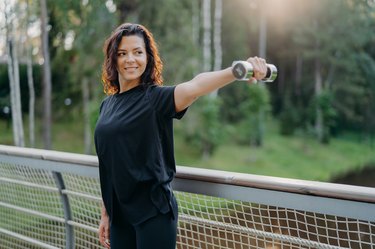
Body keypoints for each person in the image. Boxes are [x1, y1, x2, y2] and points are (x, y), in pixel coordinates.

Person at [94, 23, 268, 249]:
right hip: (120, 217)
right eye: (122, 53)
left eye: (138, 52)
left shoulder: (155, 99)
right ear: (113, 59)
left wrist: (237, 70)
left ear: (147, 57)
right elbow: (108, 164)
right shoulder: (107, 105)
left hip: (153, 213)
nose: (130, 59)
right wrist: (106, 213)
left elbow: (195, 86)